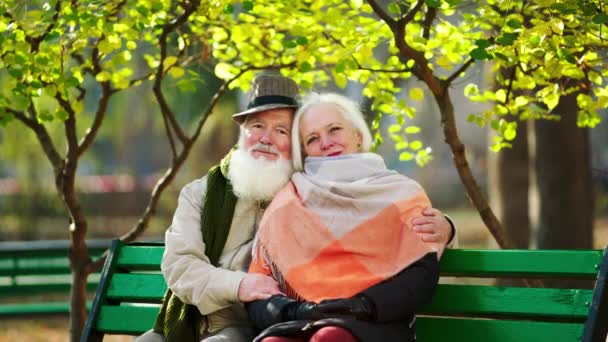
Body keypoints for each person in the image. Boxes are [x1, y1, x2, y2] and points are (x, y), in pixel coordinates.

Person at [135, 76, 455, 342]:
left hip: (252, 326)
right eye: (257, 126)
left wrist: (448, 228)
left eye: (282, 130)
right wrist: (242, 285)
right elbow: (180, 265)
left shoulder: (307, 189)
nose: (266, 138)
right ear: (242, 133)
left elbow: (391, 224)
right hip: (193, 317)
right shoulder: (204, 193)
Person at [247, 93, 444, 342]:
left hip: (377, 321)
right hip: (304, 320)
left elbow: (421, 275)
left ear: (358, 136)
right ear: (305, 151)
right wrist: (298, 310)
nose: (326, 142)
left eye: (335, 130)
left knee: (329, 338)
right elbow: (259, 287)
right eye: (313, 138)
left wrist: (363, 305)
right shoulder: (288, 202)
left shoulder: (402, 194)